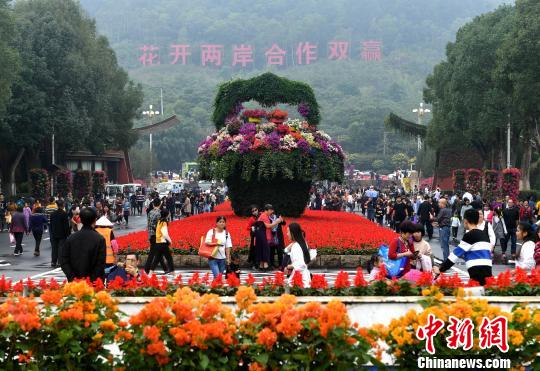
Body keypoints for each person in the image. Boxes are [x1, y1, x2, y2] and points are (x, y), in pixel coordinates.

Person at [433, 209, 492, 285]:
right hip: (488, 272)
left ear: (465, 221)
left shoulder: (470, 235)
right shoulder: (484, 235)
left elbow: (455, 255)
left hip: (477, 273)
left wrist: (441, 269)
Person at [61, 207, 106, 282]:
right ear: (95, 220)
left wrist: (72, 278)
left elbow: (64, 260)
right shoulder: (99, 239)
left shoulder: (71, 238)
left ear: (80, 220)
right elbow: (100, 263)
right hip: (94, 283)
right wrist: (91, 280)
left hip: (75, 284)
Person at [283, 222, 312, 288]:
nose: (287, 234)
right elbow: (286, 250)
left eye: (288, 232)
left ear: (292, 233)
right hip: (303, 277)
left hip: (299, 279)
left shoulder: (296, 246)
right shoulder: (302, 243)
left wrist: (288, 267)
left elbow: (300, 264)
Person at [148, 209, 175, 275]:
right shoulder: (164, 222)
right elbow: (165, 234)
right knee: (169, 258)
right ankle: (173, 272)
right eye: (169, 213)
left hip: (158, 243)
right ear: (167, 215)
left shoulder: (159, 221)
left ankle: (150, 273)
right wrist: (170, 241)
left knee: (157, 259)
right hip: (163, 243)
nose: (169, 214)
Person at [257, 204, 283, 270]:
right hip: (264, 237)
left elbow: (269, 227)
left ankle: (262, 266)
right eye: (271, 210)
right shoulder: (263, 216)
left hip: (264, 236)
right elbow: (268, 226)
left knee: (263, 250)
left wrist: (276, 222)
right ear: (267, 210)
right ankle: (264, 266)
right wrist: (276, 222)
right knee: (265, 251)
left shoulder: (265, 216)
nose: (272, 212)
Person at [145, 198, 168, 274]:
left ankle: (165, 269)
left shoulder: (150, 212)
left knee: (157, 252)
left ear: (154, 204)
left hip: (151, 235)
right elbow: (159, 226)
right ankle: (147, 268)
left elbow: (148, 224)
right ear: (160, 204)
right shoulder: (159, 213)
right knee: (153, 253)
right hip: (156, 235)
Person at [49, 200, 71, 268]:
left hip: (54, 233)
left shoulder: (53, 214)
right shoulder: (64, 214)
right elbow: (66, 226)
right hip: (62, 234)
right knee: (60, 248)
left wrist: (51, 232)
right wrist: (68, 234)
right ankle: (59, 261)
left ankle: (53, 261)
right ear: (63, 205)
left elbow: (51, 224)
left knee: (54, 248)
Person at [502, 199, 520, 263]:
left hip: (513, 228)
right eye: (509, 202)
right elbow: (502, 220)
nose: (510, 203)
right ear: (507, 203)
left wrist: (517, 227)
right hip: (506, 228)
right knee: (505, 241)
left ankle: (513, 253)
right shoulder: (504, 211)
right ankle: (503, 252)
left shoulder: (516, 210)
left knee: (514, 241)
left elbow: (517, 220)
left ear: (513, 203)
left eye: (511, 202)